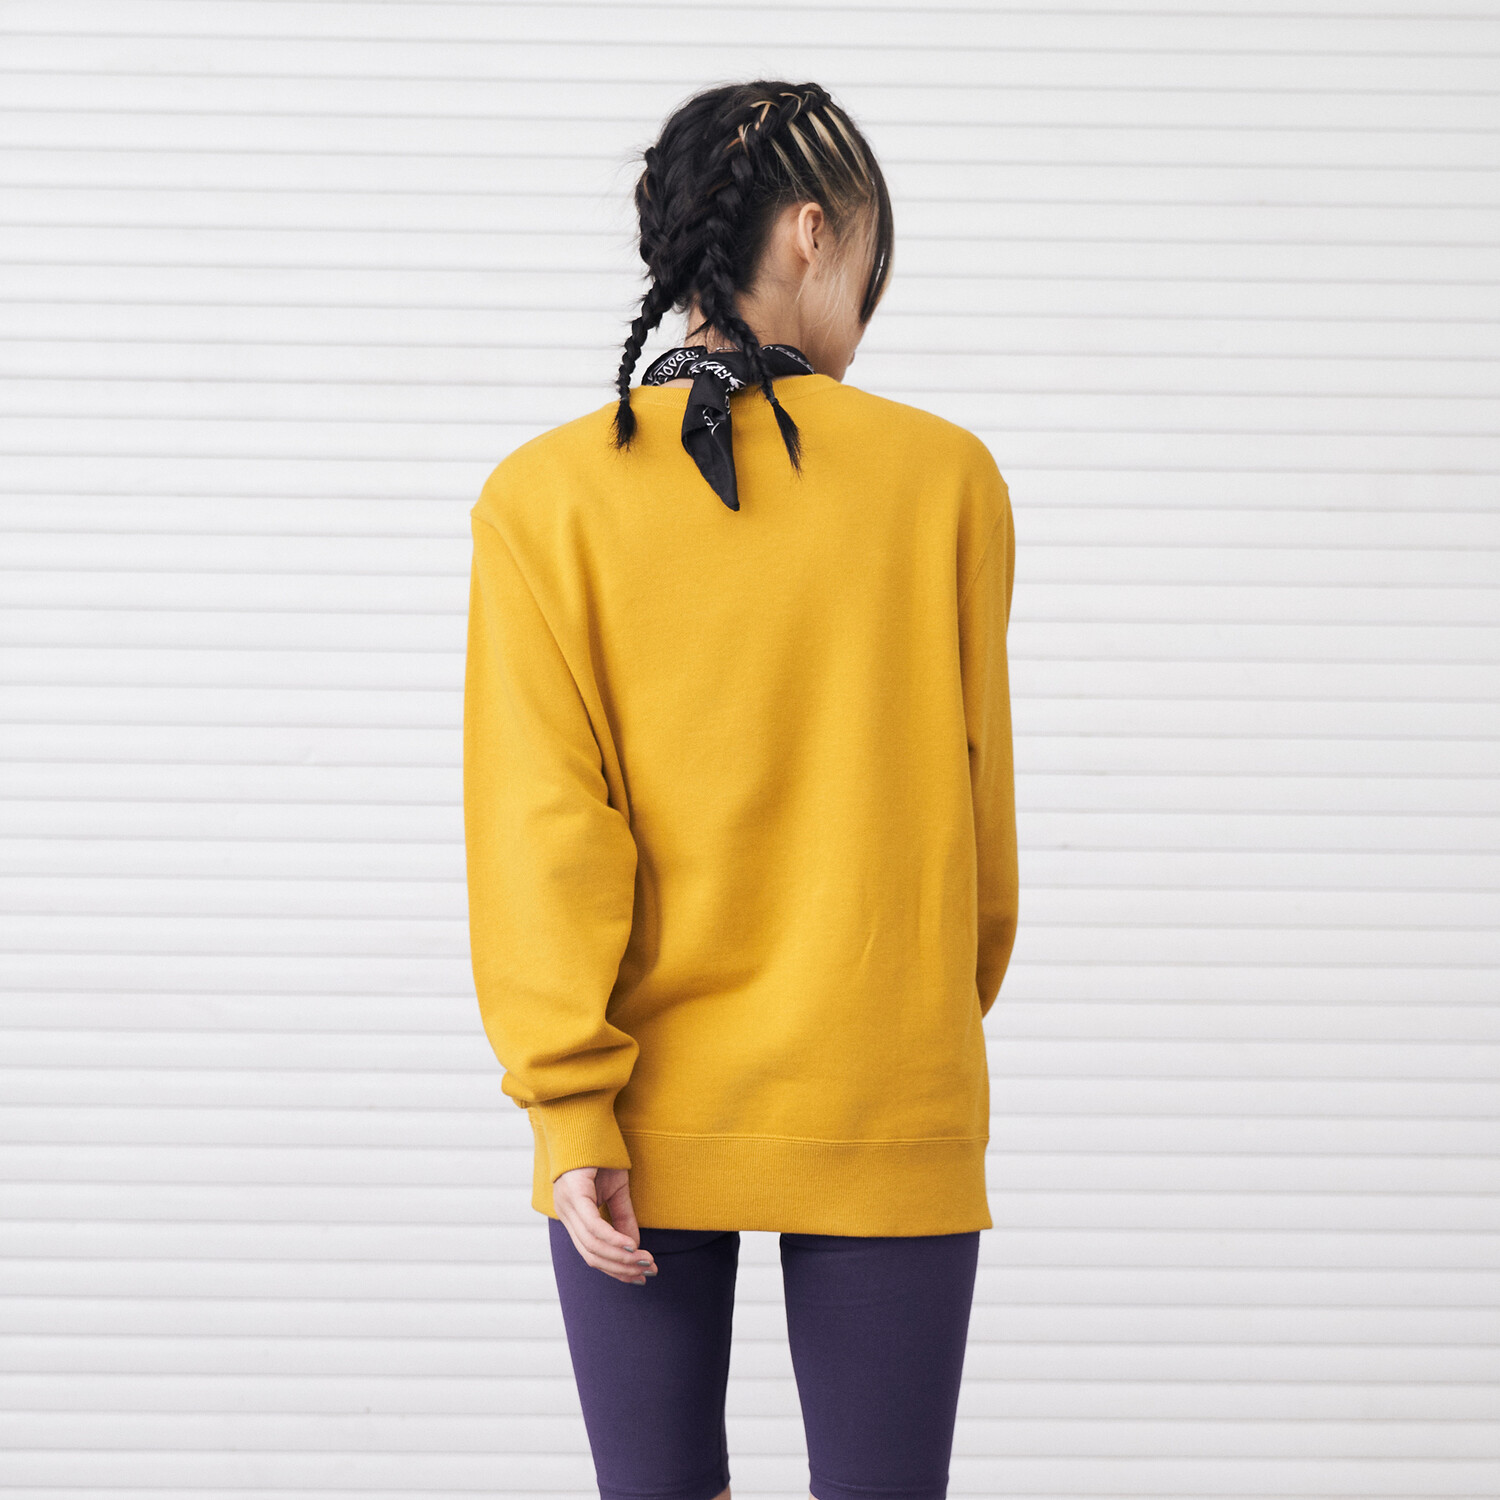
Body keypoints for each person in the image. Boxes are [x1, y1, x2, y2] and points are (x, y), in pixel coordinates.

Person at [463, 79, 1018, 1500]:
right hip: (884, 1085)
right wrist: (910, 1030)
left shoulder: (544, 498)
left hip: (635, 1112)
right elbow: (981, 841)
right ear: (815, 233)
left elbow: (543, 832)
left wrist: (569, 1108)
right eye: (872, 250)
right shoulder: (947, 481)